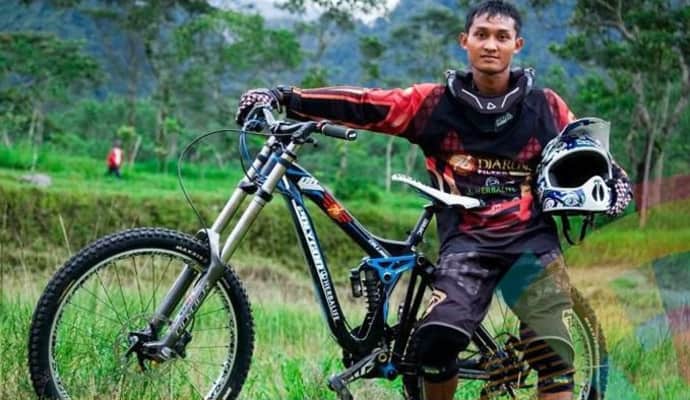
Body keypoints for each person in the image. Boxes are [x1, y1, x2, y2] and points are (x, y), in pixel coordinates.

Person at [235, 1, 633, 399]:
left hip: (531, 244)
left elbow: (588, 156)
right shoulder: (432, 104)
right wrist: (285, 96)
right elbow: (366, 104)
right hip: (467, 246)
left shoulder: (546, 107)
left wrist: (616, 182)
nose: (490, 45)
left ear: (518, 45)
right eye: (481, 35)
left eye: (502, 37)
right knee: (435, 345)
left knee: (553, 355)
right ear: (464, 41)